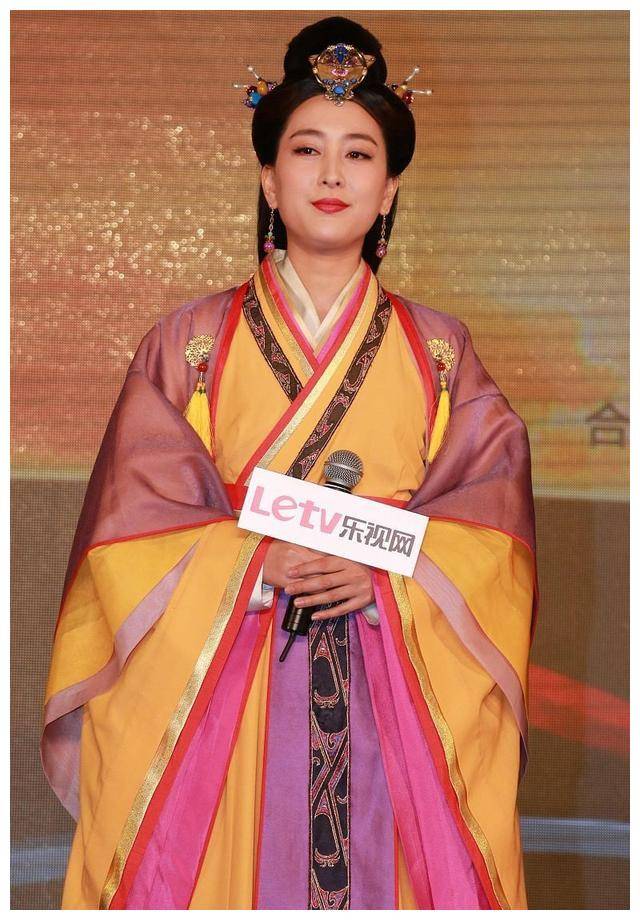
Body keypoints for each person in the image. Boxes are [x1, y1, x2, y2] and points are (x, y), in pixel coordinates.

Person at [41, 15, 539, 910]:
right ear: (269, 177)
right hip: (224, 684)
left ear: (390, 188)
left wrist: (385, 570)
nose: (332, 175)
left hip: (391, 675)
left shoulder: (440, 353)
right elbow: (128, 530)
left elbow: (490, 529)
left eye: (360, 155)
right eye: (307, 150)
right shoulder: (189, 344)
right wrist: (250, 563)